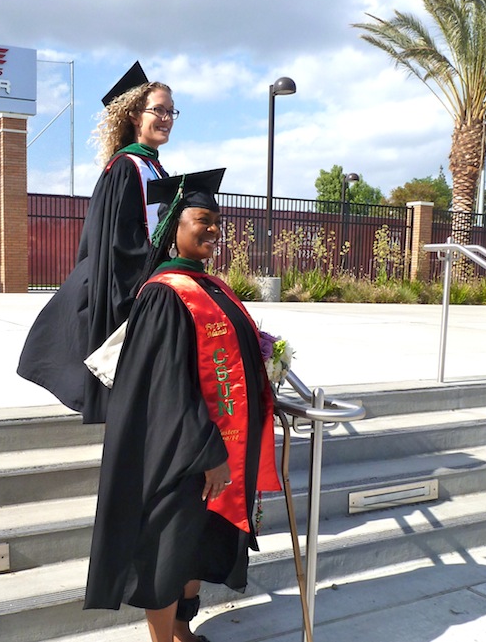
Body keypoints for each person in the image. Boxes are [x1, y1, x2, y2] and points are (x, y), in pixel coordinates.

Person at [84, 169, 282, 642]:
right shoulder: (165, 294)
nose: (213, 229)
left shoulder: (208, 285)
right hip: (182, 455)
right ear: (174, 224)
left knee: (194, 545)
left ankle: (180, 630)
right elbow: (165, 386)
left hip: (213, 447)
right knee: (168, 549)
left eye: (218, 220)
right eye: (202, 219)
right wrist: (207, 452)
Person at [17, 62, 178, 423]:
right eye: (159, 110)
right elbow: (119, 241)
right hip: (133, 283)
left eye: (171, 111)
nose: (166, 118)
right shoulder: (125, 167)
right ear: (136, 114)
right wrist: (156, 269)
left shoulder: (155, 169)